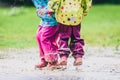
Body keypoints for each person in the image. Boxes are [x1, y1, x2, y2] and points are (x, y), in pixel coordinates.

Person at [48, 0, 92, 66]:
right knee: (76, 37)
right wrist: (85, 10)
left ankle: (63, 57)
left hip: (64, 16)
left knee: (63, 38)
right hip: (76, 17)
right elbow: (87, 1)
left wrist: (50, 9)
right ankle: (78, 57)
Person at [32, 0, 59, 69]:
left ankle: (53, 61)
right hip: (44, 20)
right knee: (38, 36)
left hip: (52, 20)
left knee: (45, 38)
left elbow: (56, 2)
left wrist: (46, 10)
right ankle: (44, 59)